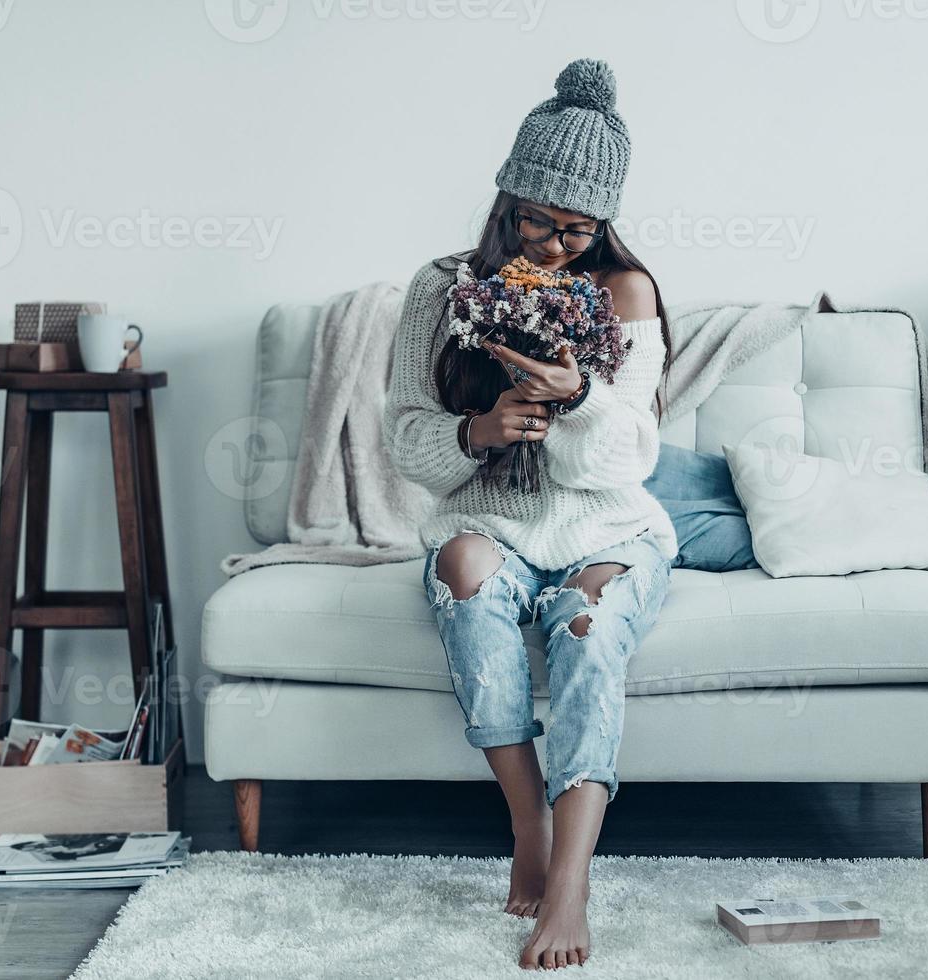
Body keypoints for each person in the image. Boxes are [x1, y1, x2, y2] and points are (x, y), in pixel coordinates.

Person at [382, 57, 677, 971]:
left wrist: (578, 397)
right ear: (505, 201)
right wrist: (477, 430)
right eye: (535, 222)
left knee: (586, 627)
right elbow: (403, 439)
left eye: (576, 230)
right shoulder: (439, 291)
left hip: (608, 526)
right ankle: (527, 831)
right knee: (465, 576)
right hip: (495, 524)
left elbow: (632, 456)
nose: (551, 248)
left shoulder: (625, 294)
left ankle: (573, 880)